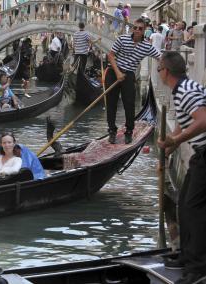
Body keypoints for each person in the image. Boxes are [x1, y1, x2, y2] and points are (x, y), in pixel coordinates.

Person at [157, 51, 206, 284]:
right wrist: (167, 150)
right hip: (200, 155)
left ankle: (197, 268)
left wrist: (176, 140)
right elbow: (182, 123)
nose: (158, 73)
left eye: (159, 69)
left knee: (193, 208)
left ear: (166, 71)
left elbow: (204, 119)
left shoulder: (186, 91)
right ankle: (188, 257)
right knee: (185, 205)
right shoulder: (182, 90)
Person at [105, 18, 161, 144]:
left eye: (140, 28)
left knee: (129, 104)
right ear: (132, 28)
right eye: (135, 27)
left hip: (129, 75)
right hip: (113, 72)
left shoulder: (147, 46)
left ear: (144, 30)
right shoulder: (122, 39)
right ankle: (112, 131)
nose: (136, 30)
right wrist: (118, 72)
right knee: (111, 104)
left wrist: (161, 65)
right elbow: (111, 56)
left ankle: (129, 132)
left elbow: (160, 56)